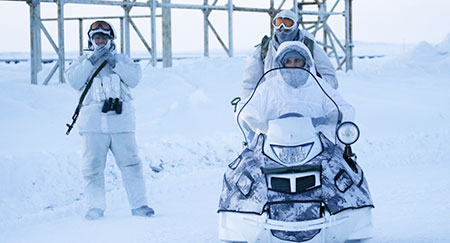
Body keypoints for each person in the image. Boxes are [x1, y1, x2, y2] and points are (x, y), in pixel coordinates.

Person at [65, 20, 154, 220]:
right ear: (91, 40)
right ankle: (95, 207)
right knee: (92, 167)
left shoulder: (122, 60)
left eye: (104, 37)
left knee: (131, 164)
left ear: (111, 39)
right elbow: (74, 80)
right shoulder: (81, 61)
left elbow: (134, 79)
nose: (101, 41)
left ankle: (139, 205)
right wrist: (92, 61)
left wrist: (115, 63)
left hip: (121, 123)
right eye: (97, 37)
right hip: (93, 125)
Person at [240, 41, 354, 145]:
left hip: (316, 147)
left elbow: (345, 107)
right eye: (288, 62)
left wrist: (333, 116)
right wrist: (256, 122)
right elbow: (245, 107)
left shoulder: (320, 86)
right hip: (273, 146)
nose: (293, 65)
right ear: (281, 64)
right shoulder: (268, 87)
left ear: (306, 62)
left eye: (297, 61)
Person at [240, 10, 339, 101]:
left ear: (296, 25)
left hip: (307, 105)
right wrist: (249, 106)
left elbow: (331, 80)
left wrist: (314, 82)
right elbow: (250, 83)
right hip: (273, 106)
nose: (282, 28)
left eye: (288, 23)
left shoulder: (310, 47)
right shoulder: (264, 50)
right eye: (278, 23)